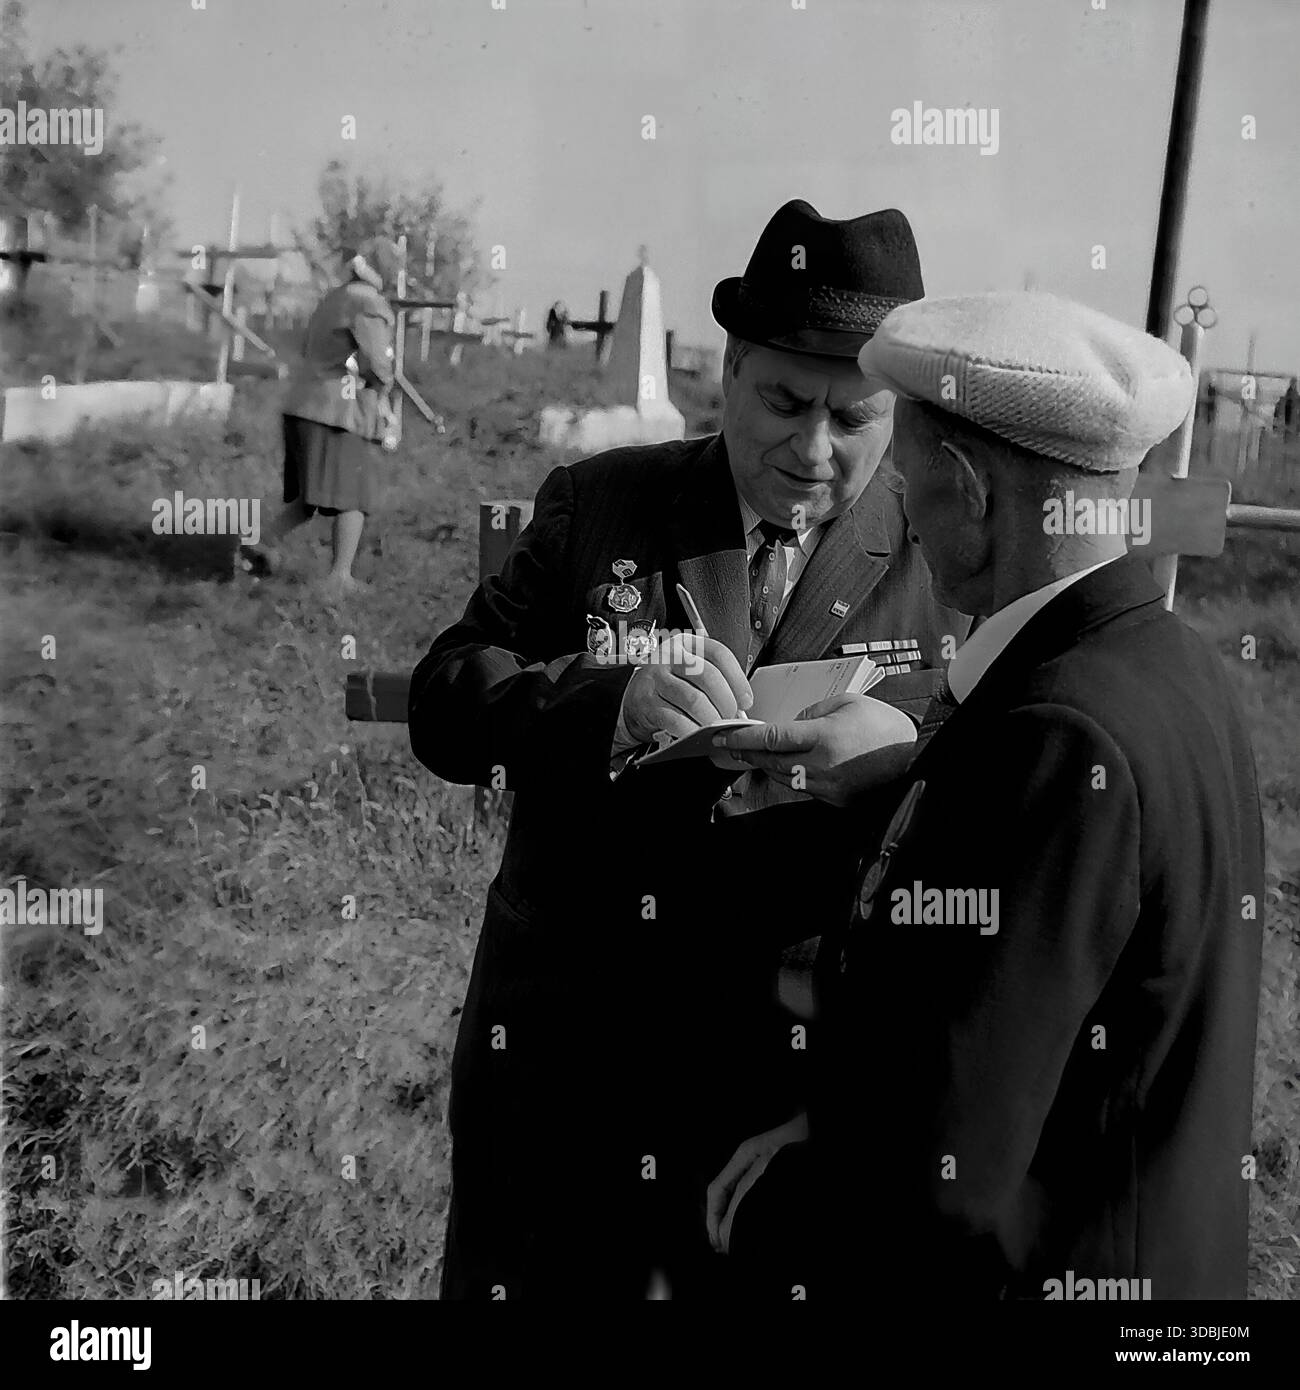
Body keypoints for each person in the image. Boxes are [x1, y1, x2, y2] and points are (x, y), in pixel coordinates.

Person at [409, 199, 970, 1300]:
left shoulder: (941, 555)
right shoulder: (604, 503)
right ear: (729, 367)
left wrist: (903, 748)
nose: (811, 451)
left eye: (851, 421)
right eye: (781, 402)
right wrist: (595, 705)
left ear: (896, 416)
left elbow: (1005, 771)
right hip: (565, 1066)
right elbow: (445, 698)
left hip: (775, 1092)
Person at [708, 291, 1266, 1301]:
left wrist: (774, 1198)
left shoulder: (1053, 735)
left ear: (967, 489)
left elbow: (945, 1169)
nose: (906, 520)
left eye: (912, 483)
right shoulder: (1165, 664)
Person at [246, 236, 400, 599]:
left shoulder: (335, 297)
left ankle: (258, 543)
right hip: (336, 411)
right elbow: (378, 362)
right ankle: (339, 579)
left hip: (303, 404)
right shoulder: (368, 304)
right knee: (353, 496)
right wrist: (384, 390)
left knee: (308, 499)